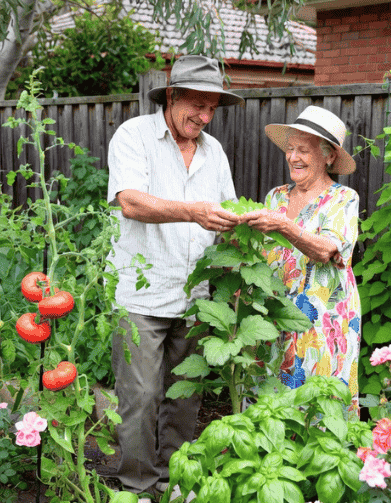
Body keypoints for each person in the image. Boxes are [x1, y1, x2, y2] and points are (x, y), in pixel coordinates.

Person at [106, 55, 242, 501]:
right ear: (171, 96)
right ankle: (138, 487)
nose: (203, 117)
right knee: (141, 398)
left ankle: (173, 482)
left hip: (196, 296)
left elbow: (229, 215)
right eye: (196, 105)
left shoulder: (214, 152)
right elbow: (130, 202)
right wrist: (193, 211)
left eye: (212, 108)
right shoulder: (134, 136)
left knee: (184, 400)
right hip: (141, 294)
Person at [239, 106, 361, 416]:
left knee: (316, 404)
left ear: (329, 156)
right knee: (267, 402)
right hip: (272, 316)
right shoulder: (276, 197)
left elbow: (327, 251)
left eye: (303, 150)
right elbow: (261, 254)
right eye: (290, 148)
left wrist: (285, 226)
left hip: (321, 321)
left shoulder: (343, 199)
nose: (294, 157)